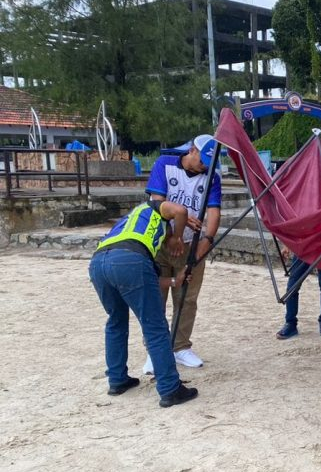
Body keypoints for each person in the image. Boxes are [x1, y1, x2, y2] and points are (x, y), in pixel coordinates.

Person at [89, 199, 200, 408]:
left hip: (99, 262)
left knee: (116, 321)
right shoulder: (154, 207)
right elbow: (180, 210)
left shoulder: (131, 224)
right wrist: (177, 237)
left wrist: (176, 280)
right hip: (129, 260)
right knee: (155, 326)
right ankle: (170, 388)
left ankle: (117, 379)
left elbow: (143, 278)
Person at [142, 134, 222, 372]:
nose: (205, 165)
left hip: (190, 245)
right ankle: (154, 349)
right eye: (203, 159)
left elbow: (214, 213)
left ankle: (180, 346)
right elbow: (158, 204)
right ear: (192, 150)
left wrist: (204, 243)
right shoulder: (164, 164)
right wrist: (177, 228)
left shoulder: (212, 178)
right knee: (157, 296)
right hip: (161, 241)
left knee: (187, 296)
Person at [276, 248, 321, 338]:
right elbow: (296, 232)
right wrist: (288, 245)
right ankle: (290, 323)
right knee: (292, 287)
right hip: (304, 247)